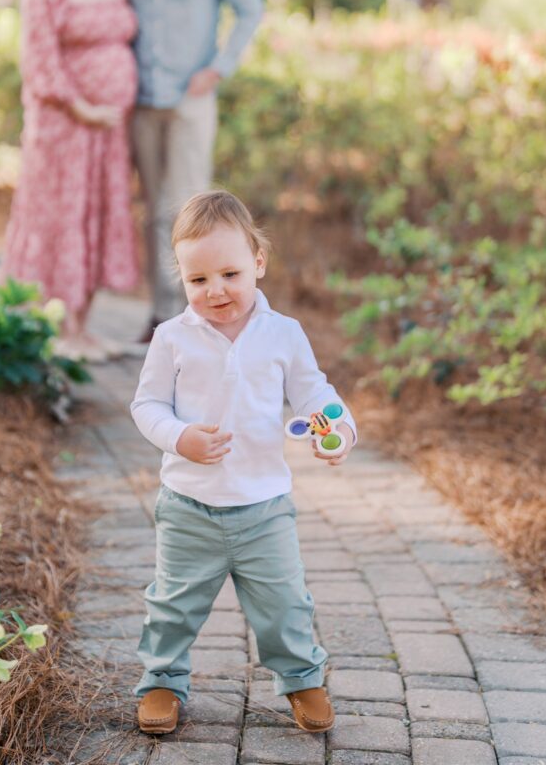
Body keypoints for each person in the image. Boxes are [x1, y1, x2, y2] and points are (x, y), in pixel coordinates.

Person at [130, 190, 357, 735]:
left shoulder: (283, 334)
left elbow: (313, 394)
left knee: (284, 605)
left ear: (259, 262)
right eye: (198, 280)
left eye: (230, 273)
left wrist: (340, 428)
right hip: (189, 507)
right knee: (172, 606)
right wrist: (179, 436)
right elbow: (146, 405)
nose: (216, 291)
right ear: (181, 279)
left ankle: (303, 678)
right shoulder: (172, 337)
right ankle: (162, 680)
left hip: (264, 508)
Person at [112, 0, 264, 342]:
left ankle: (198, 319)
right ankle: (161, 317)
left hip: (191, 99)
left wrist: (219, 67)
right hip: (142, 100)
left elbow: (249, 8)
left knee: (190, 212)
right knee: (155, 209)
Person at [3, 0, 139, 361]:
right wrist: (83, 108)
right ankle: (56, 327)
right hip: (64, 126)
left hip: (109, 131)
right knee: (61, 218)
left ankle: (83, 328)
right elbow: (40, 59)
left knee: (97, 218)